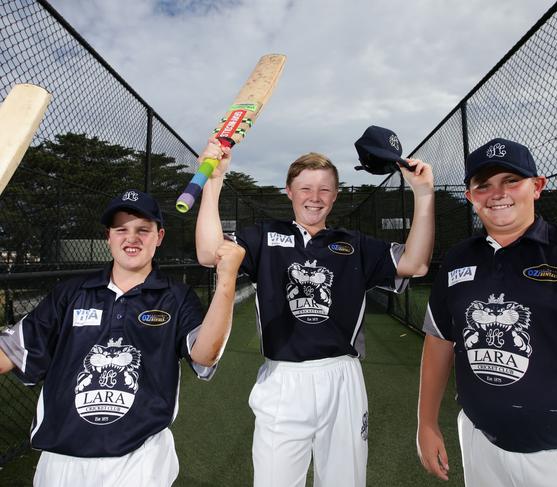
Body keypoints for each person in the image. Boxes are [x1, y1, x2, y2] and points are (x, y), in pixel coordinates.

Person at [195, 133, 435, 487]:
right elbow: (208, 253)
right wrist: (214, 182)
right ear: (288, 192)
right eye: (305, 188)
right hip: (281, 379)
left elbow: (415, 264)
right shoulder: (264, 236)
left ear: (335, 196)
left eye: (325, 189)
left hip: (342, 376)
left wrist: (423, 193)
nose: (315, 198)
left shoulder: (352, 244)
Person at [416, 138, 557, 487]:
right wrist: (427, 423)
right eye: (484, 185)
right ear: (470, 197)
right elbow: (439, 339)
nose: (498, 193)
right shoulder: (458, 259)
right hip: (482, 444)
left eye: (511, 180)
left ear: (538, 187)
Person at [0, 189, 244, 487]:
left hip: (140, 457)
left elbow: (205, 355)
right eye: (121, 230)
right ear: (109, 237)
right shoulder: (71, 293)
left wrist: (227, 280)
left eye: (143, 230)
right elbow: (8, 354)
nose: (132, 238)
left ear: (160, 236)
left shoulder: (176, 298)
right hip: (62, 457)